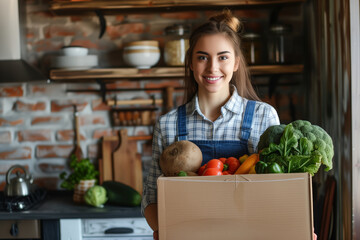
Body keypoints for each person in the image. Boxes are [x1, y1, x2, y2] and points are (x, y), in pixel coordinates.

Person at [141, 10, 280, 240]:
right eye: (203, 57)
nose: (212, 68)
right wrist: (164, 230)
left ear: (236, 62)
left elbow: (279, 191)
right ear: (191, 63)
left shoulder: (263, 117)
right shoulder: (168, 125)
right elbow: (151, 195)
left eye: (223, 57)